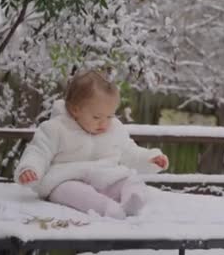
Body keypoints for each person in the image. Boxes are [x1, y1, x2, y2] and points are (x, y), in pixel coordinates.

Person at [15, 70, 169, 219]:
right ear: (75, 110)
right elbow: (38, 151)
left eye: (110, 116)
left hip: (105, 177)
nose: (104, 123)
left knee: (130, 180)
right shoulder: (56, 129)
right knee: (72, 191)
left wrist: (150, 158)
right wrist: (30, 169)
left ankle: (132, 201)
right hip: (66, 179)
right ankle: (105, 207)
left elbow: (129, 152)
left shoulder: (115, 130)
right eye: (97, 117)